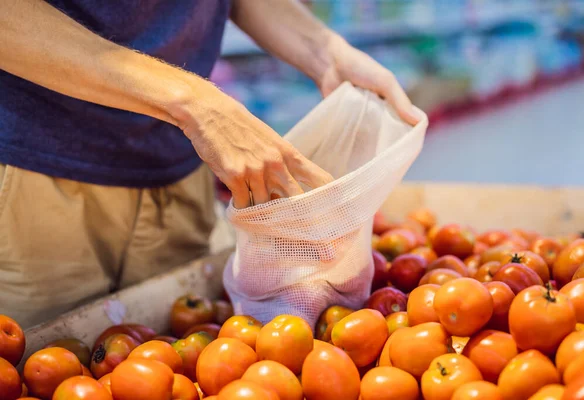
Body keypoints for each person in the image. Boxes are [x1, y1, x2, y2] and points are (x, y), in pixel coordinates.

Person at [0, 0, 419, 328]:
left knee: (163, 348)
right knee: (43, 365)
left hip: (181, 168)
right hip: (35, 176)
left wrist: (324, 52)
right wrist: (197, 104)